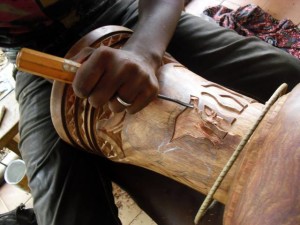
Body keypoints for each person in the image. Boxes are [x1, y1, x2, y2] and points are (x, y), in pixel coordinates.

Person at [1, 0, 300, 224]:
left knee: (287, 73)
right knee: (64, 215)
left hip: (113, 8)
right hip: (38, 62)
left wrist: (144, 50)